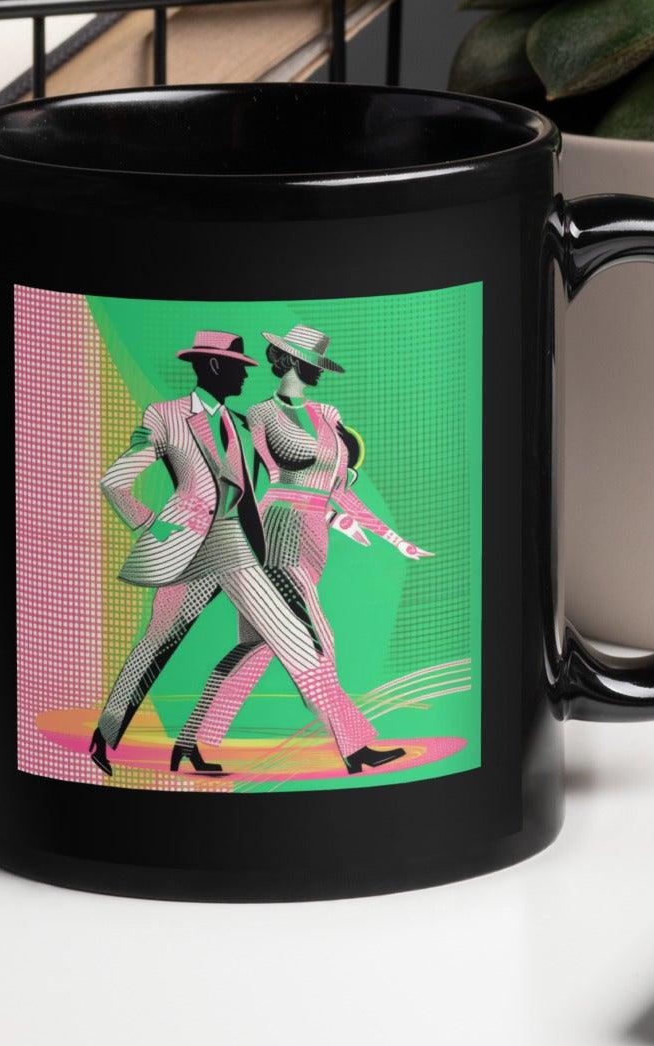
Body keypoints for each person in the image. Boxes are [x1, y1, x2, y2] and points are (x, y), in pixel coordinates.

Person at [88, 330, 374, 779]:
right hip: (183, 547)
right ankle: (106, 737)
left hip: (236, 547)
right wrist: (152, 525)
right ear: (216, 367)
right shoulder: (165, 416)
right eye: (240, 367)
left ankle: (353, 747)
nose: (246, 375)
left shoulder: (241, 420)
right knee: (156, 643)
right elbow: (114, 481)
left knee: (296, 638)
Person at [172, 323, 431, 776]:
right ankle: (355, 747)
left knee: (254, 649)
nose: (316, 371)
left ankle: (189, 742)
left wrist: (394, 539)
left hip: (316, 537)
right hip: (279, 532)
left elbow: (339, 490)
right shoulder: (259, 414)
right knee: (317, 641)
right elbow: (248, 482)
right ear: (288, 360)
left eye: (318, 364)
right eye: (311, 362)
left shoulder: (328, 414)